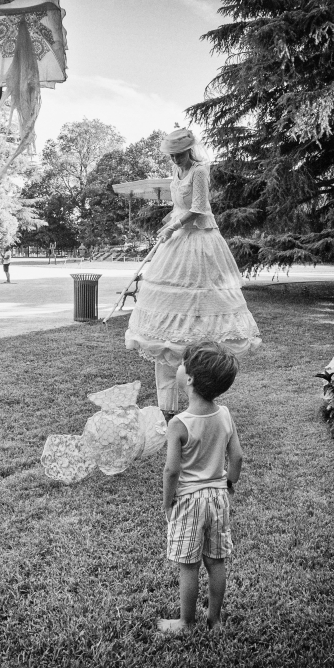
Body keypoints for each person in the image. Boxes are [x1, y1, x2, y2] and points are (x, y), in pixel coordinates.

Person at [125, 128, 260, 421]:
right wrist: (168, 224)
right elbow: (179, 207)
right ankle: (166, 408)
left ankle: (198, 404)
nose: (174, 159)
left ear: (189, 150)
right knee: (165, 322)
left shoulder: (200, 171)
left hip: (200, 242)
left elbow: (199, 208)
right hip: (178, 242)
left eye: (178, 154)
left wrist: (175, 226)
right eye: (171, 155)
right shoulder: (176, 173)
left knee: (198, 309)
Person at [158, 341, 243, 633]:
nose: (179, 368)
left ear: (190, 379)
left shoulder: (179, 423)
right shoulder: (225, 414)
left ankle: (186, 622)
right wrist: (229, 482)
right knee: (216, 561)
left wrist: (167, 503)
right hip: (218, 498)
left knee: (189, 565)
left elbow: (171, 471)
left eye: (183, 364)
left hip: (189, 501)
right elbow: (237, 457)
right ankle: (215, 620)